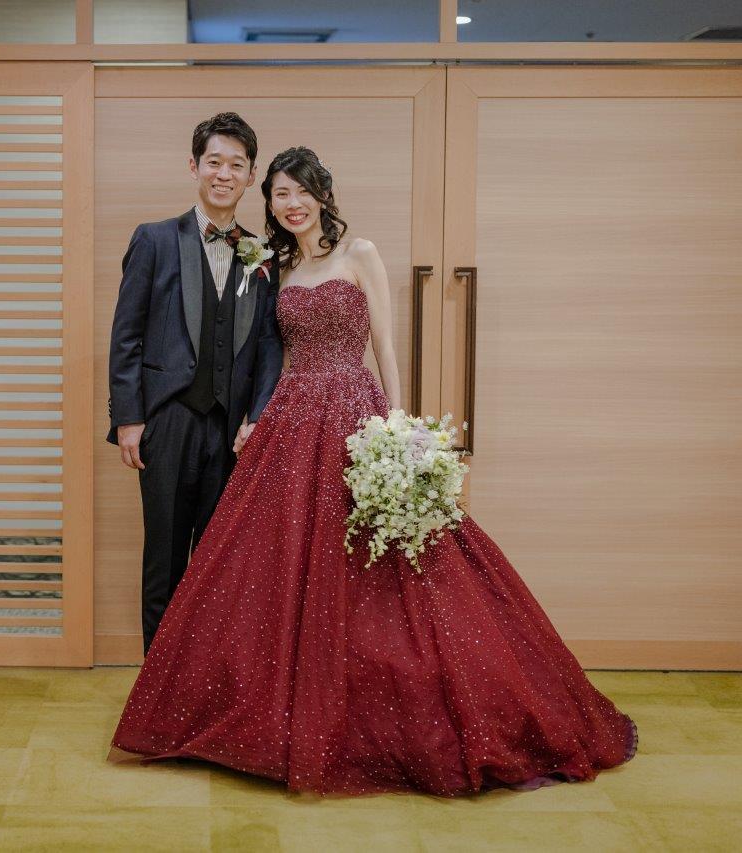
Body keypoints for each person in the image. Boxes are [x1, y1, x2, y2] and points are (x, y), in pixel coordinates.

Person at [109, 146, 637, 797]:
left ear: (323, 194)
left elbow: (384, 344)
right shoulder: (274, 266)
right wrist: (247, 414)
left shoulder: (360, 253)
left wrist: (398, 429)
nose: (292, 203)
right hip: (291, 417)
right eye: (280, 194)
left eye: (302, 191)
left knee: (382, 561)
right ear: (268, 202)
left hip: (353, 411)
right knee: (275, 563)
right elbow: (256, 345)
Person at [107, 112, 283, 653]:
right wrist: (129, 419)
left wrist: (257, 417)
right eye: (214, 162)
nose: (223, 174)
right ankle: (156, 690)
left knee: (217, 566)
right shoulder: (155, 239)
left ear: (250, 176)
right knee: (163, 558)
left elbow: (270, 346)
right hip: (167, 422)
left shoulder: (262, 254)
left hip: (230, 431)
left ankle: (202, 684)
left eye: (236, 165)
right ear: (194, 166)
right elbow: (127, 335)